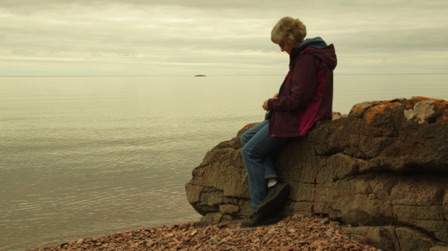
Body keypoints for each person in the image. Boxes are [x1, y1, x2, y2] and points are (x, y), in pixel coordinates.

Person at [240, 16, 337, 227]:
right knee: (246, 137)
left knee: (249, 152)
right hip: (299, 113)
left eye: (282, 44)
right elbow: (301, 91)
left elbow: (298, 100)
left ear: (291, 39)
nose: (281, 49)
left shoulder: (305, 59)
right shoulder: (309, 53)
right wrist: (281, 94)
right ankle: (273, 182)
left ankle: (261, 211)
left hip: (301, 119)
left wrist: (271, 104)